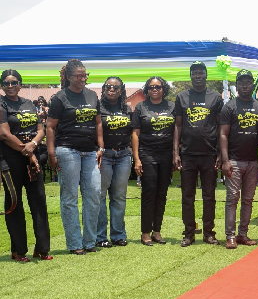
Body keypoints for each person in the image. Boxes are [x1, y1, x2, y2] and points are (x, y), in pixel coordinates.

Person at [46, 59, 103, 255]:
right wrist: (51, 153)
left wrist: (101, 147)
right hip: (67, 150)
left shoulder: (93, 95)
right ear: (69, 77)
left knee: (94, 193)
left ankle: (89, 241)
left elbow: (98, 123)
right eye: (79, 76)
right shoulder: (60, 98)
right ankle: (74, 243)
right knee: (70, 197)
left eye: (85, 75)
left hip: (90, 152)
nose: (82, 79)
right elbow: (50, 127)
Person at [0, 69, 51, 261]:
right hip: (11, 158)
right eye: (6, 83)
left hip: (32, 156)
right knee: (15, 204)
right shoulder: (1, 104)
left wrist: (34, 145)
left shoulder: (29, 103)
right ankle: (18, 250)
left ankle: (42, 248)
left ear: (20, 84)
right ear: (2, 86)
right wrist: (27, 151)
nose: (11, 86)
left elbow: (41, 129)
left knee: (38, 201)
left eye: (14, 82)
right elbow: (4, 134)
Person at [174, 61, 223, 246]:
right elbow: (178, 126)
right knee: (187, 196)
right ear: (191, 76)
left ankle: (209, 233)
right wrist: (175, 153)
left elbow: (220, 127)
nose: (198, 76)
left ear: (206, 75)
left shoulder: (215, 97)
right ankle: (189, 233)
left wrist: (219, 152)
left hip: (209, 154)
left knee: (209, 196)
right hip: (187, 154)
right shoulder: (182, 97)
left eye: (201, 72)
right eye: (194, 73)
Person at [218, 70, 258, 249]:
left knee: (248, 199)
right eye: (241, 82)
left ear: (252, 84)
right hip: (234, 160)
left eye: (248, 82)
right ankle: (230, 236)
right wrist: (225, 160)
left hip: (252, 161)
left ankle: (243, 234)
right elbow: (223, 134)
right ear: (237, 85)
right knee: (232, 198)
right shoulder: (230, 107)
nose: (245, 85)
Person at [132, 76, 175, 246]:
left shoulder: (172, 106)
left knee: (162, 193)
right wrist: (136, 159)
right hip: (147, 153)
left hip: (166, 154)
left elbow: (177, 129)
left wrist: (175, 153)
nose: (154, 90)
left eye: (158, 87)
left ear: (164, 88)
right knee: (149, 193)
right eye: (151, 87)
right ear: (147, 89)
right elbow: (135, 134)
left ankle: (157, 231)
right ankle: (145, 232)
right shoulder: (141, 107)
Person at [95, 77, 131, 248]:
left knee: (118, 197)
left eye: (115, 87)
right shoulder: (98, 108)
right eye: (108, 87)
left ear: (121, 90)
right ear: (103, 89)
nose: (112, 89)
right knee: (100, 196)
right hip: (105, 155)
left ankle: (118, 235)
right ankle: (100, 237)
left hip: (123, 155)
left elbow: (133, 132)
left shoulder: (126, 108)